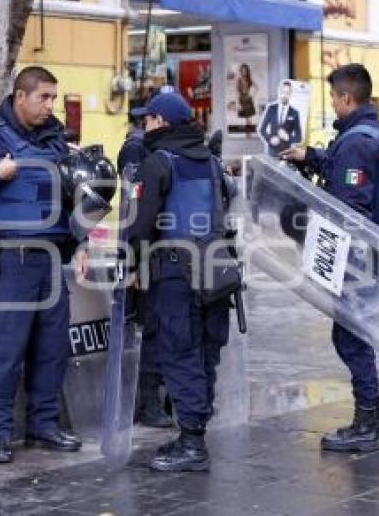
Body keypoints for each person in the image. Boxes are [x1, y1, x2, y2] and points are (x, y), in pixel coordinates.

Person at [0, 66, 88, 464]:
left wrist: (79, 242)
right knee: (5, 352)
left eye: (53, 98)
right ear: (20, 97)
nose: (50, 106)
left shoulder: (55, 137)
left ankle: (44, 425)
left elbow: (68, 195)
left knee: (51, 349)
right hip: (10, 260)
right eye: (43, 97)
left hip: (50, 261)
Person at [281, 63, 379, 453]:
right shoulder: (374, 133)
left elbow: (349, 208)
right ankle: (375, 413)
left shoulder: (355, 142)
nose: (331, 103)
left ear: (347, 98)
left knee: (350, 334)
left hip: (351, 253)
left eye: (333, 97)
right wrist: (310, 156)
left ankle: (366, 419)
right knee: (353, 331)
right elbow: (345, 173)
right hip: (370, 251)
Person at [128, 92, 232, 472]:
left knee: (179, 351)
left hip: (175, 272)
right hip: (217, 270)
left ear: (162, 123)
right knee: (205, 352)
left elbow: (139, 226)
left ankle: (191, 444)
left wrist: (131, 263)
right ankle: (194, 428)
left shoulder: (158, 162)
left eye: (149, 119)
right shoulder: (212, 162)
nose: (145, 126)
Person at [116, 115, 173, 429]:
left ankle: (161, 399)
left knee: (163, 329)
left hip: (163, 254)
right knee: (149, 330)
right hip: (145, 255)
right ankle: (149, 402)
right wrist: (133, 262)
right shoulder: (137, 150)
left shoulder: (166, 152)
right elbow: (135, 212)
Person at [258, 81, 302, 155]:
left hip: (287, 153)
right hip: (272, 152)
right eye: (283, 92)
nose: (284, 95)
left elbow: (299, 137)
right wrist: (270, 139)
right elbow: (262, 129)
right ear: (279, 92)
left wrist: (288, 137)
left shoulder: (295, 112)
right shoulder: (271, 108)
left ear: (291, 94)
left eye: (287, 93)